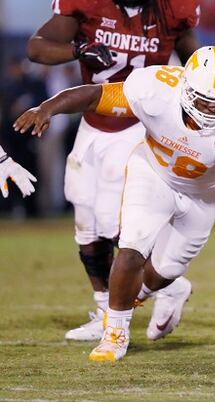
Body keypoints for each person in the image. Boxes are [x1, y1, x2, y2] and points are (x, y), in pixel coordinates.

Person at [15, 46, 215, 362]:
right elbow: (95, 96)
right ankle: (115, 334)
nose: (209, 109)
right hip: (153, 172)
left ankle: (155, 293)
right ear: (185, 86)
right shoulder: (156, 89)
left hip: (203, 195)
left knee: (166, 270)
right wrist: (48, 108)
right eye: (204, 98)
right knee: (131, 246)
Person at [26, 0, 201, 341]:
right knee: (86, 224)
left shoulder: (173, 10)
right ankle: (107, 309)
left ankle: (166, 285)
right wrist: (79, 48)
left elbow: (197, 64)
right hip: (93, 124)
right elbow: (36, 48)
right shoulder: (88, 5)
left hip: (139, 124)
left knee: (113, 221)